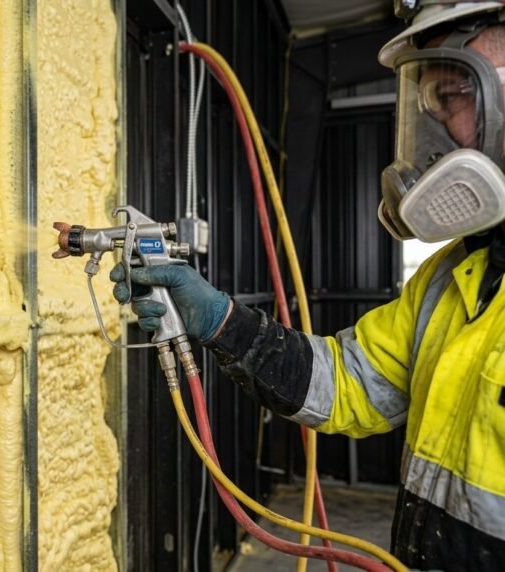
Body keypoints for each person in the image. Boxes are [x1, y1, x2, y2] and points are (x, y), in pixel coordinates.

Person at [112, 2, 505, 570]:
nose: (440, 129)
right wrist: (221, 320)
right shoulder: (453, 276)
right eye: (429, 103)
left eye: (453, 95)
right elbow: (346, 383)